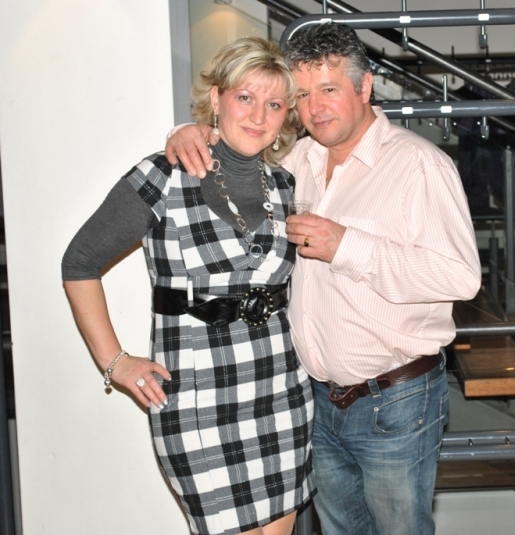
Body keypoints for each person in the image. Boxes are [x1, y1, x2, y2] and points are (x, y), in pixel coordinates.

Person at [166, 23, 482, 535]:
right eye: (303, 94)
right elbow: (236, 141)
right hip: (314, 399)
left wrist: (347, 246)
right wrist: (191, 131)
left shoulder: (419, 165)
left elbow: (461, 277)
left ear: (365, 87)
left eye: (329, 89)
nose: (314, 108)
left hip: (396, 400)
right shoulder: (296, 160)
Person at [62, 38, 314, 535]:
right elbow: (80, 262)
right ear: (216, 98)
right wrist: (115, 362)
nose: (258, 116)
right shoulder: (163, 175)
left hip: (280, 389)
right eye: (245, 97)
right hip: (197, 397)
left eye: (274, 104)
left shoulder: (286, 185)